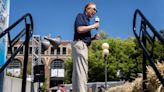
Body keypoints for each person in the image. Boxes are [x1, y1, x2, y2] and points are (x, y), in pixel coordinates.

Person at [72, 2, 100, 92]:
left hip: (79, 45)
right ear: (86, 9)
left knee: (77, 73)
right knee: (82, 72)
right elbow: (79, 29)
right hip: (81, 46)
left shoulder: (87, 21)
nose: (95, 11)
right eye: (93, 9)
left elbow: (83, 36)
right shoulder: (81, 16)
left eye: (96, 10)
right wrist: (94, 26)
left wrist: (93, 38)